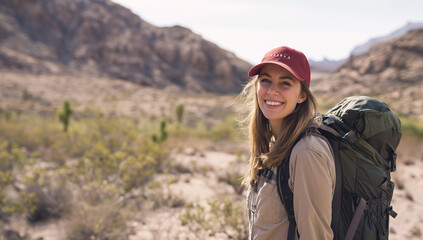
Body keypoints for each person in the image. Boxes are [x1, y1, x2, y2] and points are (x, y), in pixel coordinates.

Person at [240, 46, 335, 240]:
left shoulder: (306, 152)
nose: (272, 91)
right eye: (265, 81)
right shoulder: (276, 146)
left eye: (285, 83)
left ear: (302, 95)